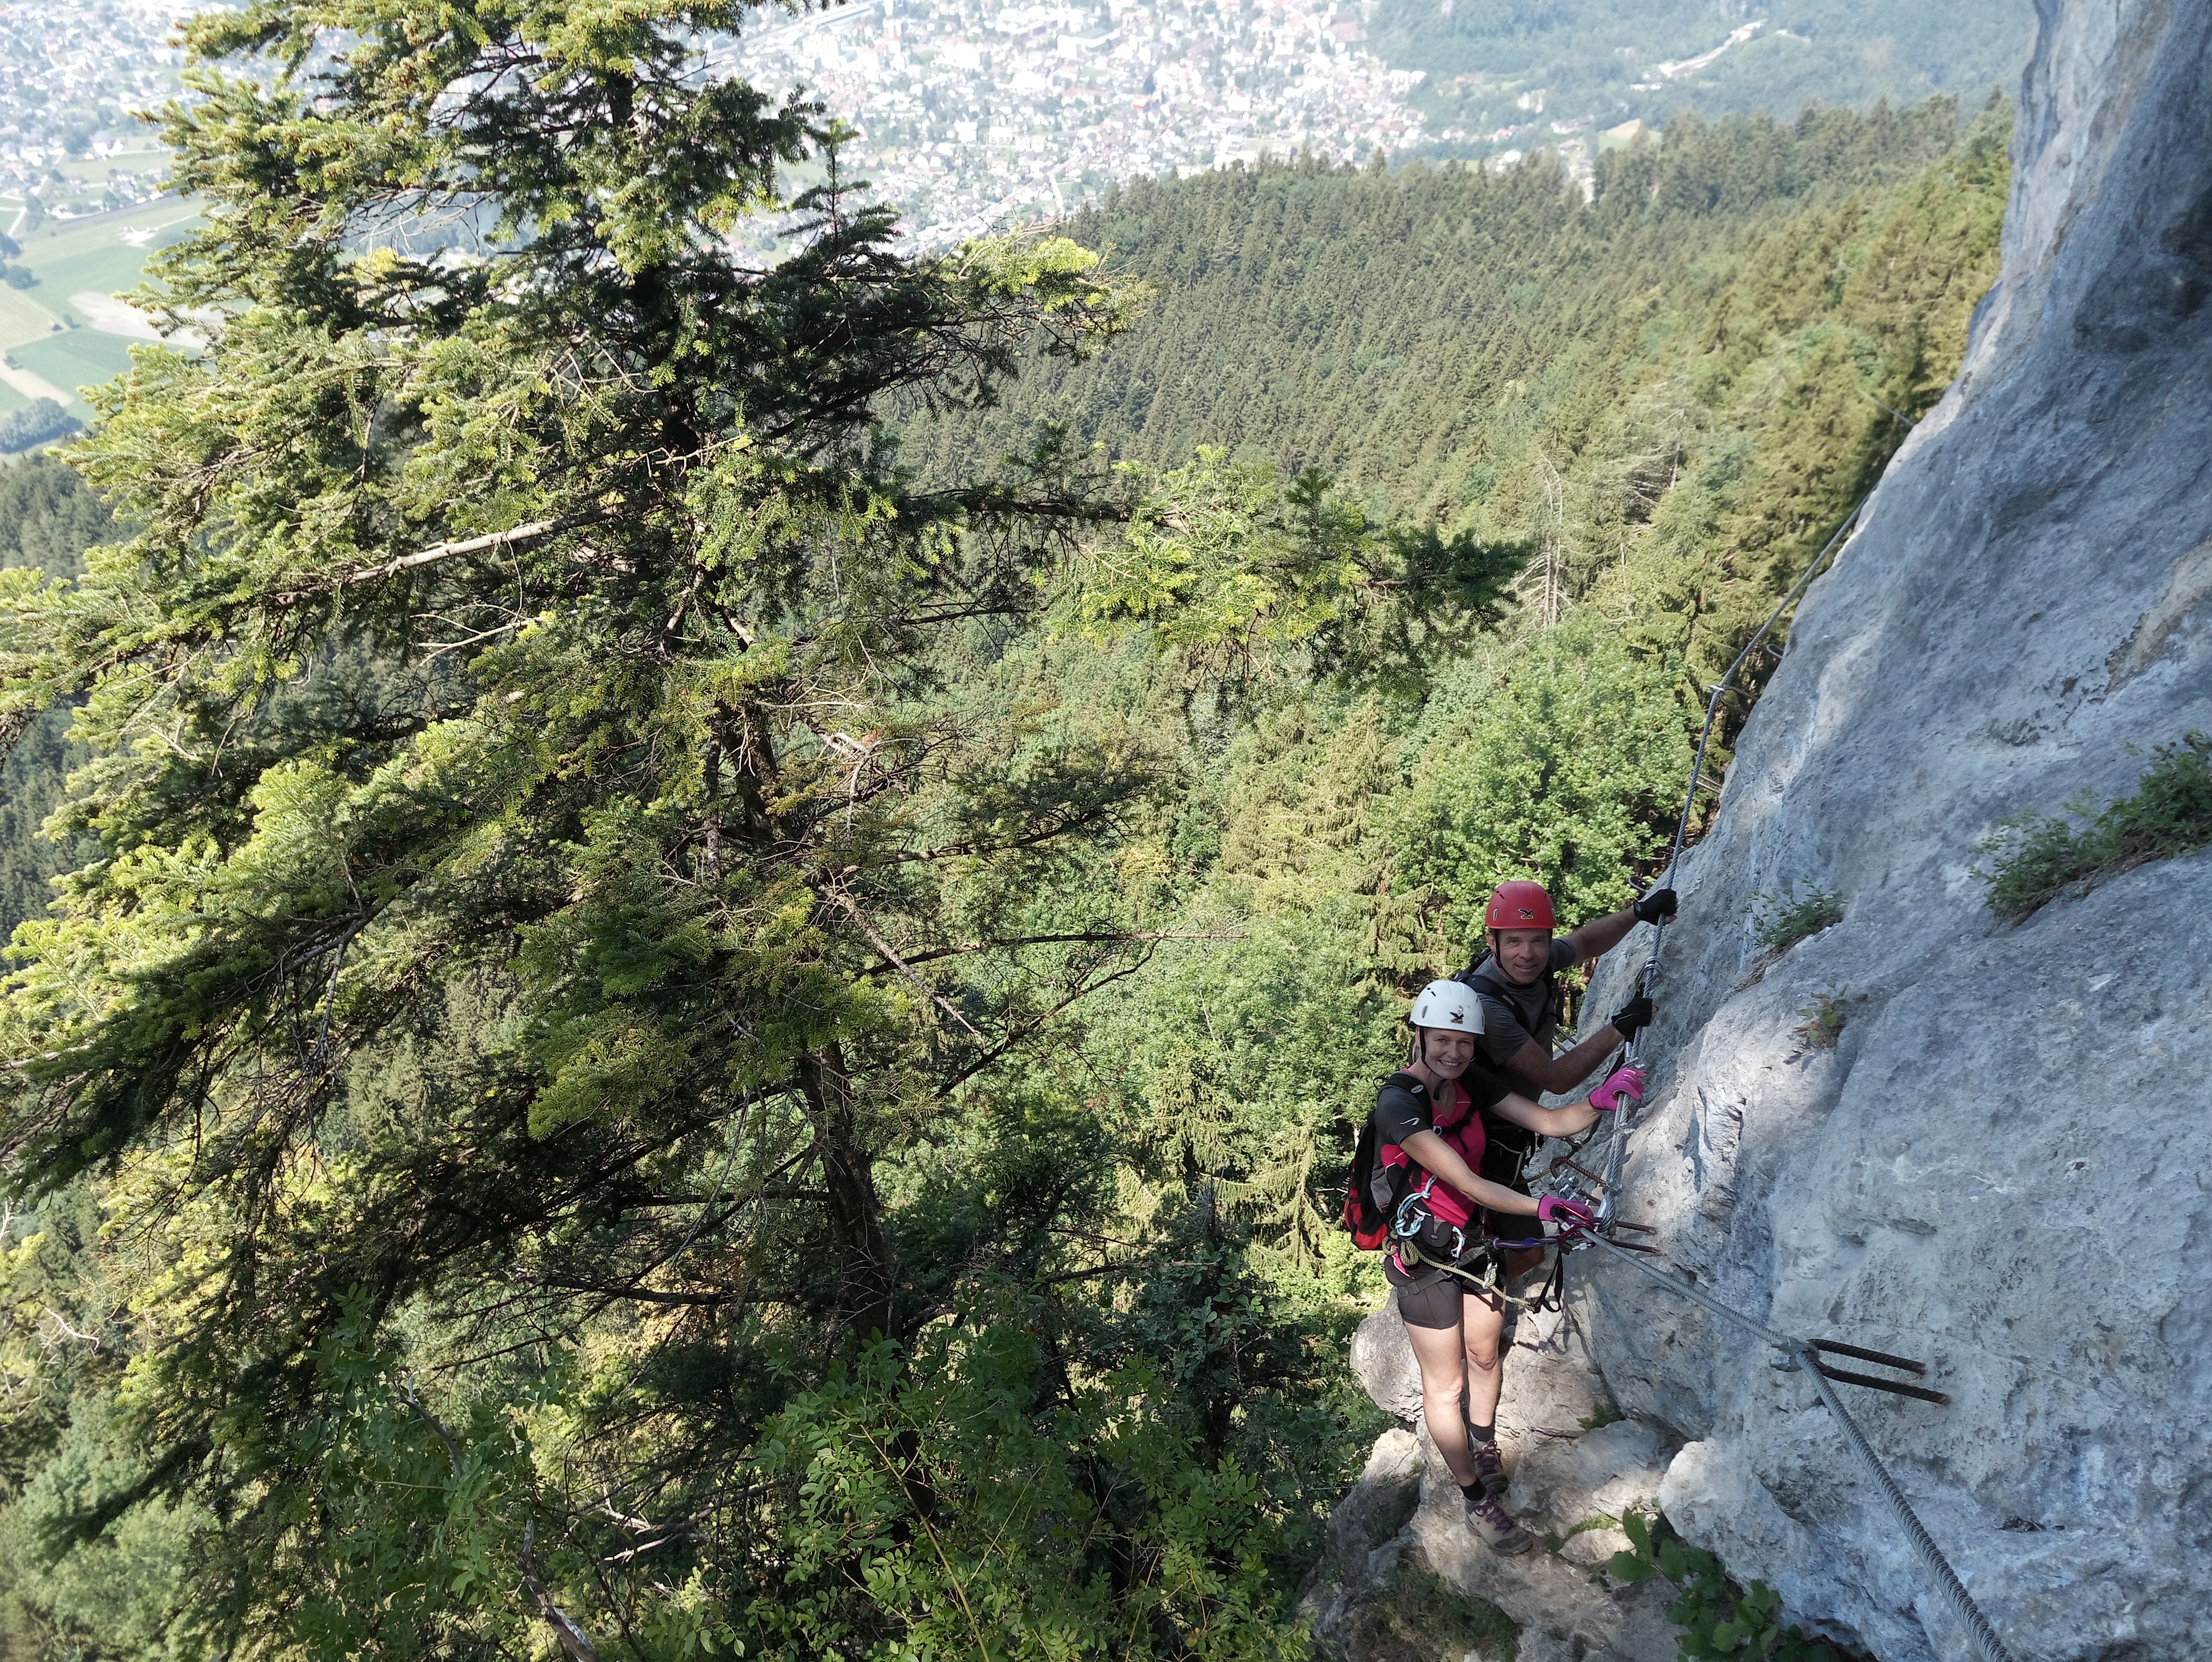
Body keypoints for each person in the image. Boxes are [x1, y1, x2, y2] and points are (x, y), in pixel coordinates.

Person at [1375, 979, 1643, 1554]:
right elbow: (1466, 1180)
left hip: (1476, 1240)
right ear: (1419, 1037)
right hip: (1425, 1260)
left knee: (1483, 1351)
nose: (1453, 1053)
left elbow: (1544, 1121)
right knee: (1445, 1387)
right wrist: (1541, 1208)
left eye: (1464, 1043)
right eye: (1442, 1041)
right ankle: (1476, 1500)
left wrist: (1598, 1100)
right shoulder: (1399, 1104)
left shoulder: (1468, 1081)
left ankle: (1485, 1440)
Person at [1455, 879, 1677, 1256]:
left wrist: (1639, 913)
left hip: (1510, 1131)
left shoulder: (1532, 963)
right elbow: (1558, 1080)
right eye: (1514, 942)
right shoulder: (1487, 1006)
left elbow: (1585, 943)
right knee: (1511, 1249)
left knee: (1526, 1251)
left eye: (1539, 940)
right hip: (1485, 1142)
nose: (1528, 953)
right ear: (1492, 942)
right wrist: (1618, 1028)